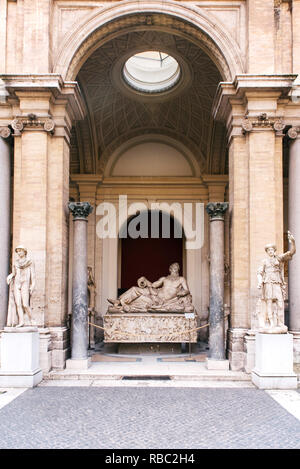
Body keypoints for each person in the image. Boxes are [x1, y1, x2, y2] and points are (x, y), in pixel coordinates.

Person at [108, 263, 194, 313]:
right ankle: (118, 302)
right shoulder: (164, 278)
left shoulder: (181, 279)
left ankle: (120, 304)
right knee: (135, 289)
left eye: (176, 268)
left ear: (178, 269)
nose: (174, 269)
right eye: (173, 268)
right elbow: (153, 285)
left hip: (163, 301)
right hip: (155, 294)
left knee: (139, 296)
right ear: (170, 269)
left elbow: (187, 290)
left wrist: (183, 293)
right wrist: (144, 280)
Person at [257, 231, 296, 331]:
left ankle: (280, 323)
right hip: (268, 283)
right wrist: (259, 282)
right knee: (269, 302)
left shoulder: (279, 259)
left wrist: (292, 243)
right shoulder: (264, 261)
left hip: (277, 282)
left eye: (272, 250)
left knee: (280, 302)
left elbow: (291, 253)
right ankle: (271, 323)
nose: (270, 251)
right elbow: (259, 272)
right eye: (269, 250)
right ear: (267, 252)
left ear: (274, 251)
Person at [6, 246, 35, 327]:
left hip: (25, 283)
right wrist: (10, 276)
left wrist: (32, 285)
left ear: (24, 251)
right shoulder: (16, 262)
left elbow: (33, 275)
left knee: (25, 304)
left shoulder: (30, 261)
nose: (19, 253)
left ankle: (32, 319)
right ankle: (21, 321)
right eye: (17, 251)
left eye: (20, 251)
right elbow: (14, 273)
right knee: (18, 304)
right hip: (17, 283)